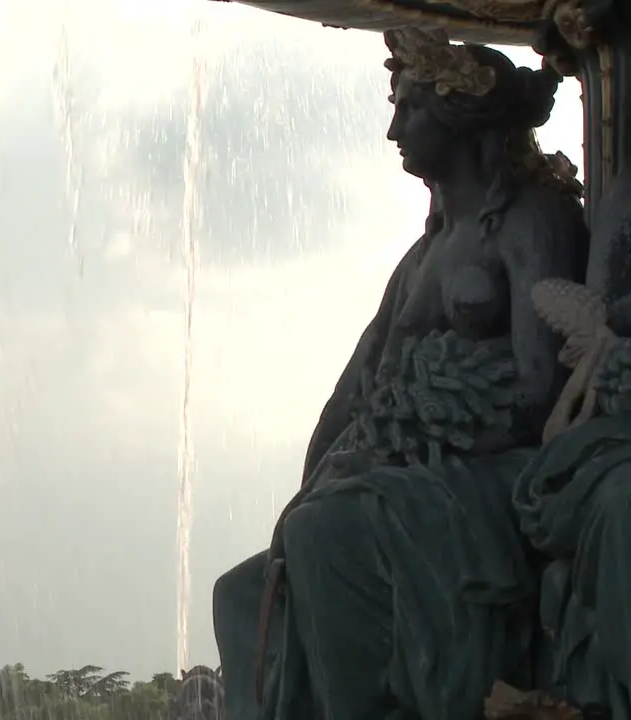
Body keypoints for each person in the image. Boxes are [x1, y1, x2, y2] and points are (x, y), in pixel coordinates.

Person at [213, 27, 589, 720]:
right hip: (406, 470)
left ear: (461, 114)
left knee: (324, 537)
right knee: (240, 592)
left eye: (410, 107)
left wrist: (423, 429)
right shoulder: (424, 254)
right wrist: (326, 473)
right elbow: (358, 384)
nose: (393, 128)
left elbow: (543, 390)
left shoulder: (533, 220)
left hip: (503, 470)